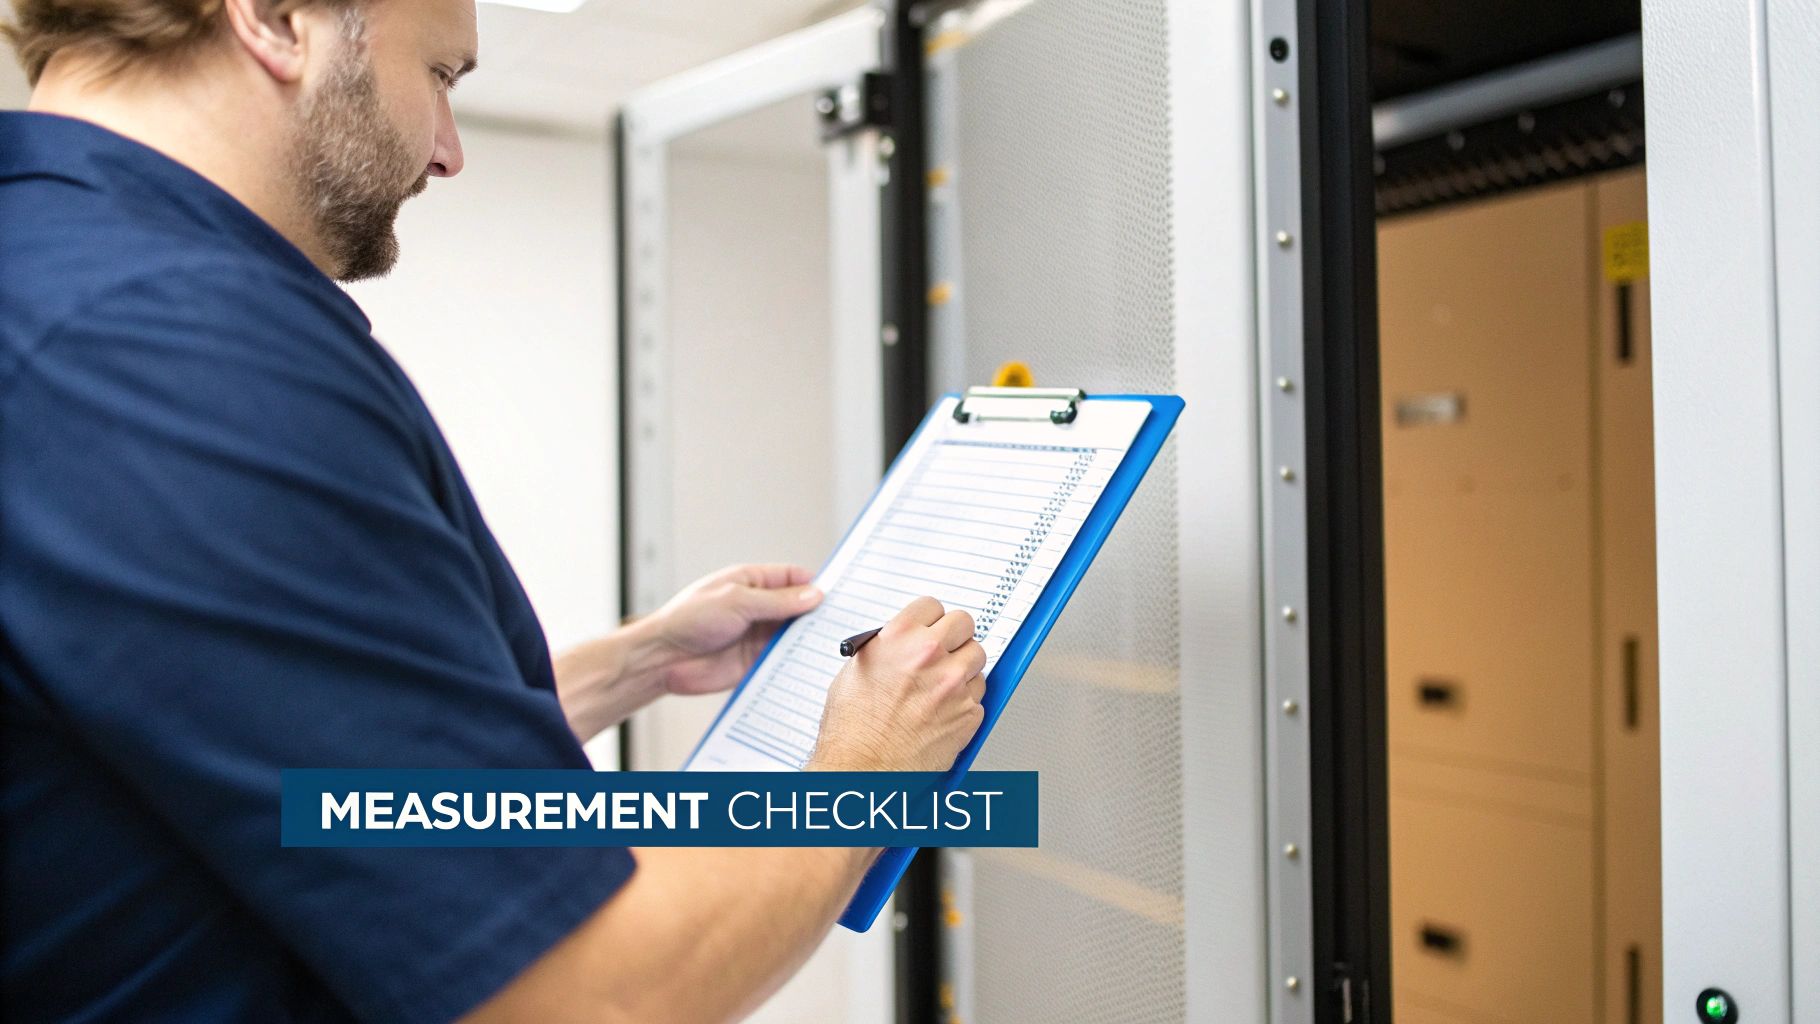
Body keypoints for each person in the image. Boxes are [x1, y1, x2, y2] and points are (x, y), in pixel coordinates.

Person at [0, 0, 989, 1015]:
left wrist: (632, 662)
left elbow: (269, 761)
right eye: (440, 77)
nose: (448, 152)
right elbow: (584, 995)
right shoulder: (159, 345)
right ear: (276, 18)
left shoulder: (58, 280)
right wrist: (870, 765)